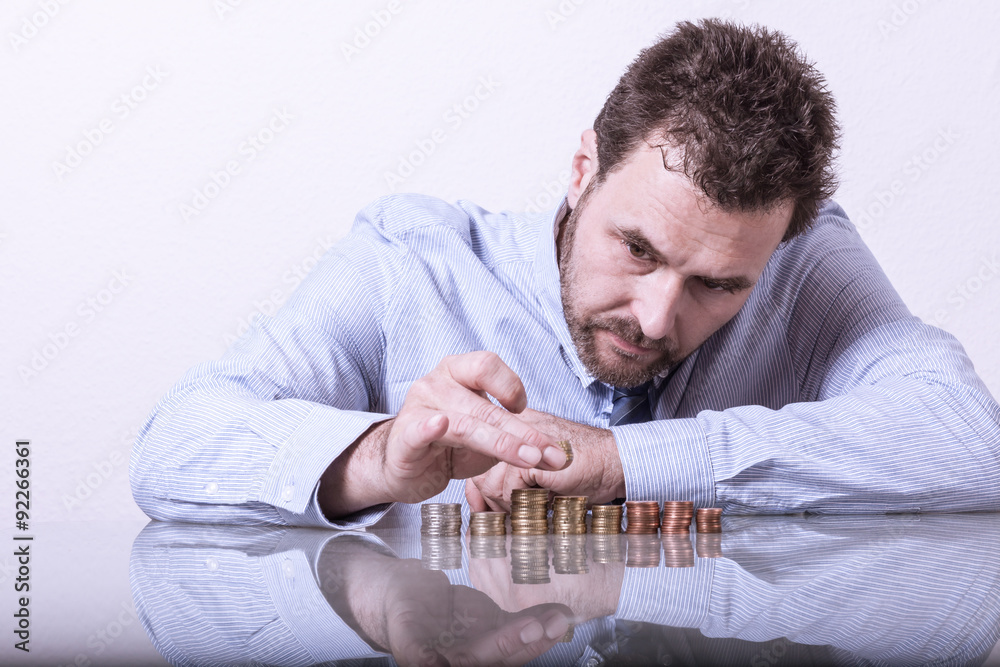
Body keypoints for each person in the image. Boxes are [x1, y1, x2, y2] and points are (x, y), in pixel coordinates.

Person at [130, 19, 1000, 529]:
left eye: (719, 285)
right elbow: (176, 444)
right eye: (639, 250)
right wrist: (375, 458)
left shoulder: (802, 261)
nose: (659, 317)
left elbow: (969, 442)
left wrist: (624, 460)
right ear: (582, 167)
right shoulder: (413, 261)